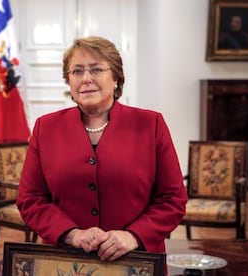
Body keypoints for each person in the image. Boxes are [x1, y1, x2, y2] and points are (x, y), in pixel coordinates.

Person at [17, 36, 187, 261]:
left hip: (136, 258)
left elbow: (173, 199)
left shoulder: (151, 124)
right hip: (65, 258)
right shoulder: (45, 127)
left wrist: (133, 236)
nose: (86, 79)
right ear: (68, 81)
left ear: (116, 77)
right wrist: (71, 234)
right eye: (77, 71)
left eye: (96, 69)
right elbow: (30, 198)